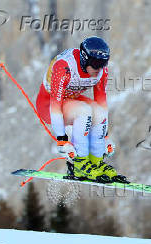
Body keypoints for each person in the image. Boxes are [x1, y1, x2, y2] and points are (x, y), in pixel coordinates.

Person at [36, 36, 124, 183]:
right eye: (96, 64)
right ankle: (79, 164)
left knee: (99, 112)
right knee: (83, 110)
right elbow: (56, 105)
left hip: (72, 100)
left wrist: (104, 137)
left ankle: (96, 163)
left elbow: (101, 101)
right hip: (49, 104)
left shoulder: (101, 71)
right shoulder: (64, 66)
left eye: (103, 63)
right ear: (85, 59)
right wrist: (62, 140)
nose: (100, 69)